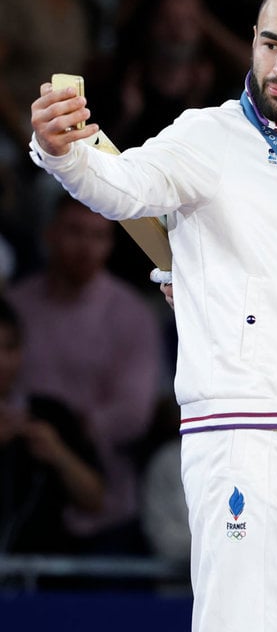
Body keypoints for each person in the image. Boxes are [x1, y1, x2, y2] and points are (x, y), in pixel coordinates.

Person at [29, 0, 277, 632]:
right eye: (270, 44)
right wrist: (59, 152)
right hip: (246, 430)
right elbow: (123, 184)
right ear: (250, 40)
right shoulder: (209, 136)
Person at [6, 194, 162, 557]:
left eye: (99, 237)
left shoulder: (132, 313)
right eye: (75, 232)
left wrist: (63, 432)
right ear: (49, 234)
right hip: (20, 493)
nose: (86, 247)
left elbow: (134, 414)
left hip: (105, 505)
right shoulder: (16, 305)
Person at [0, 295, 105, 555]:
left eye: (10, 348)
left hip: (43, 580)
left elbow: (95, 500)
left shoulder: (50, 414)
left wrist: (58, 453)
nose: (2, 361)